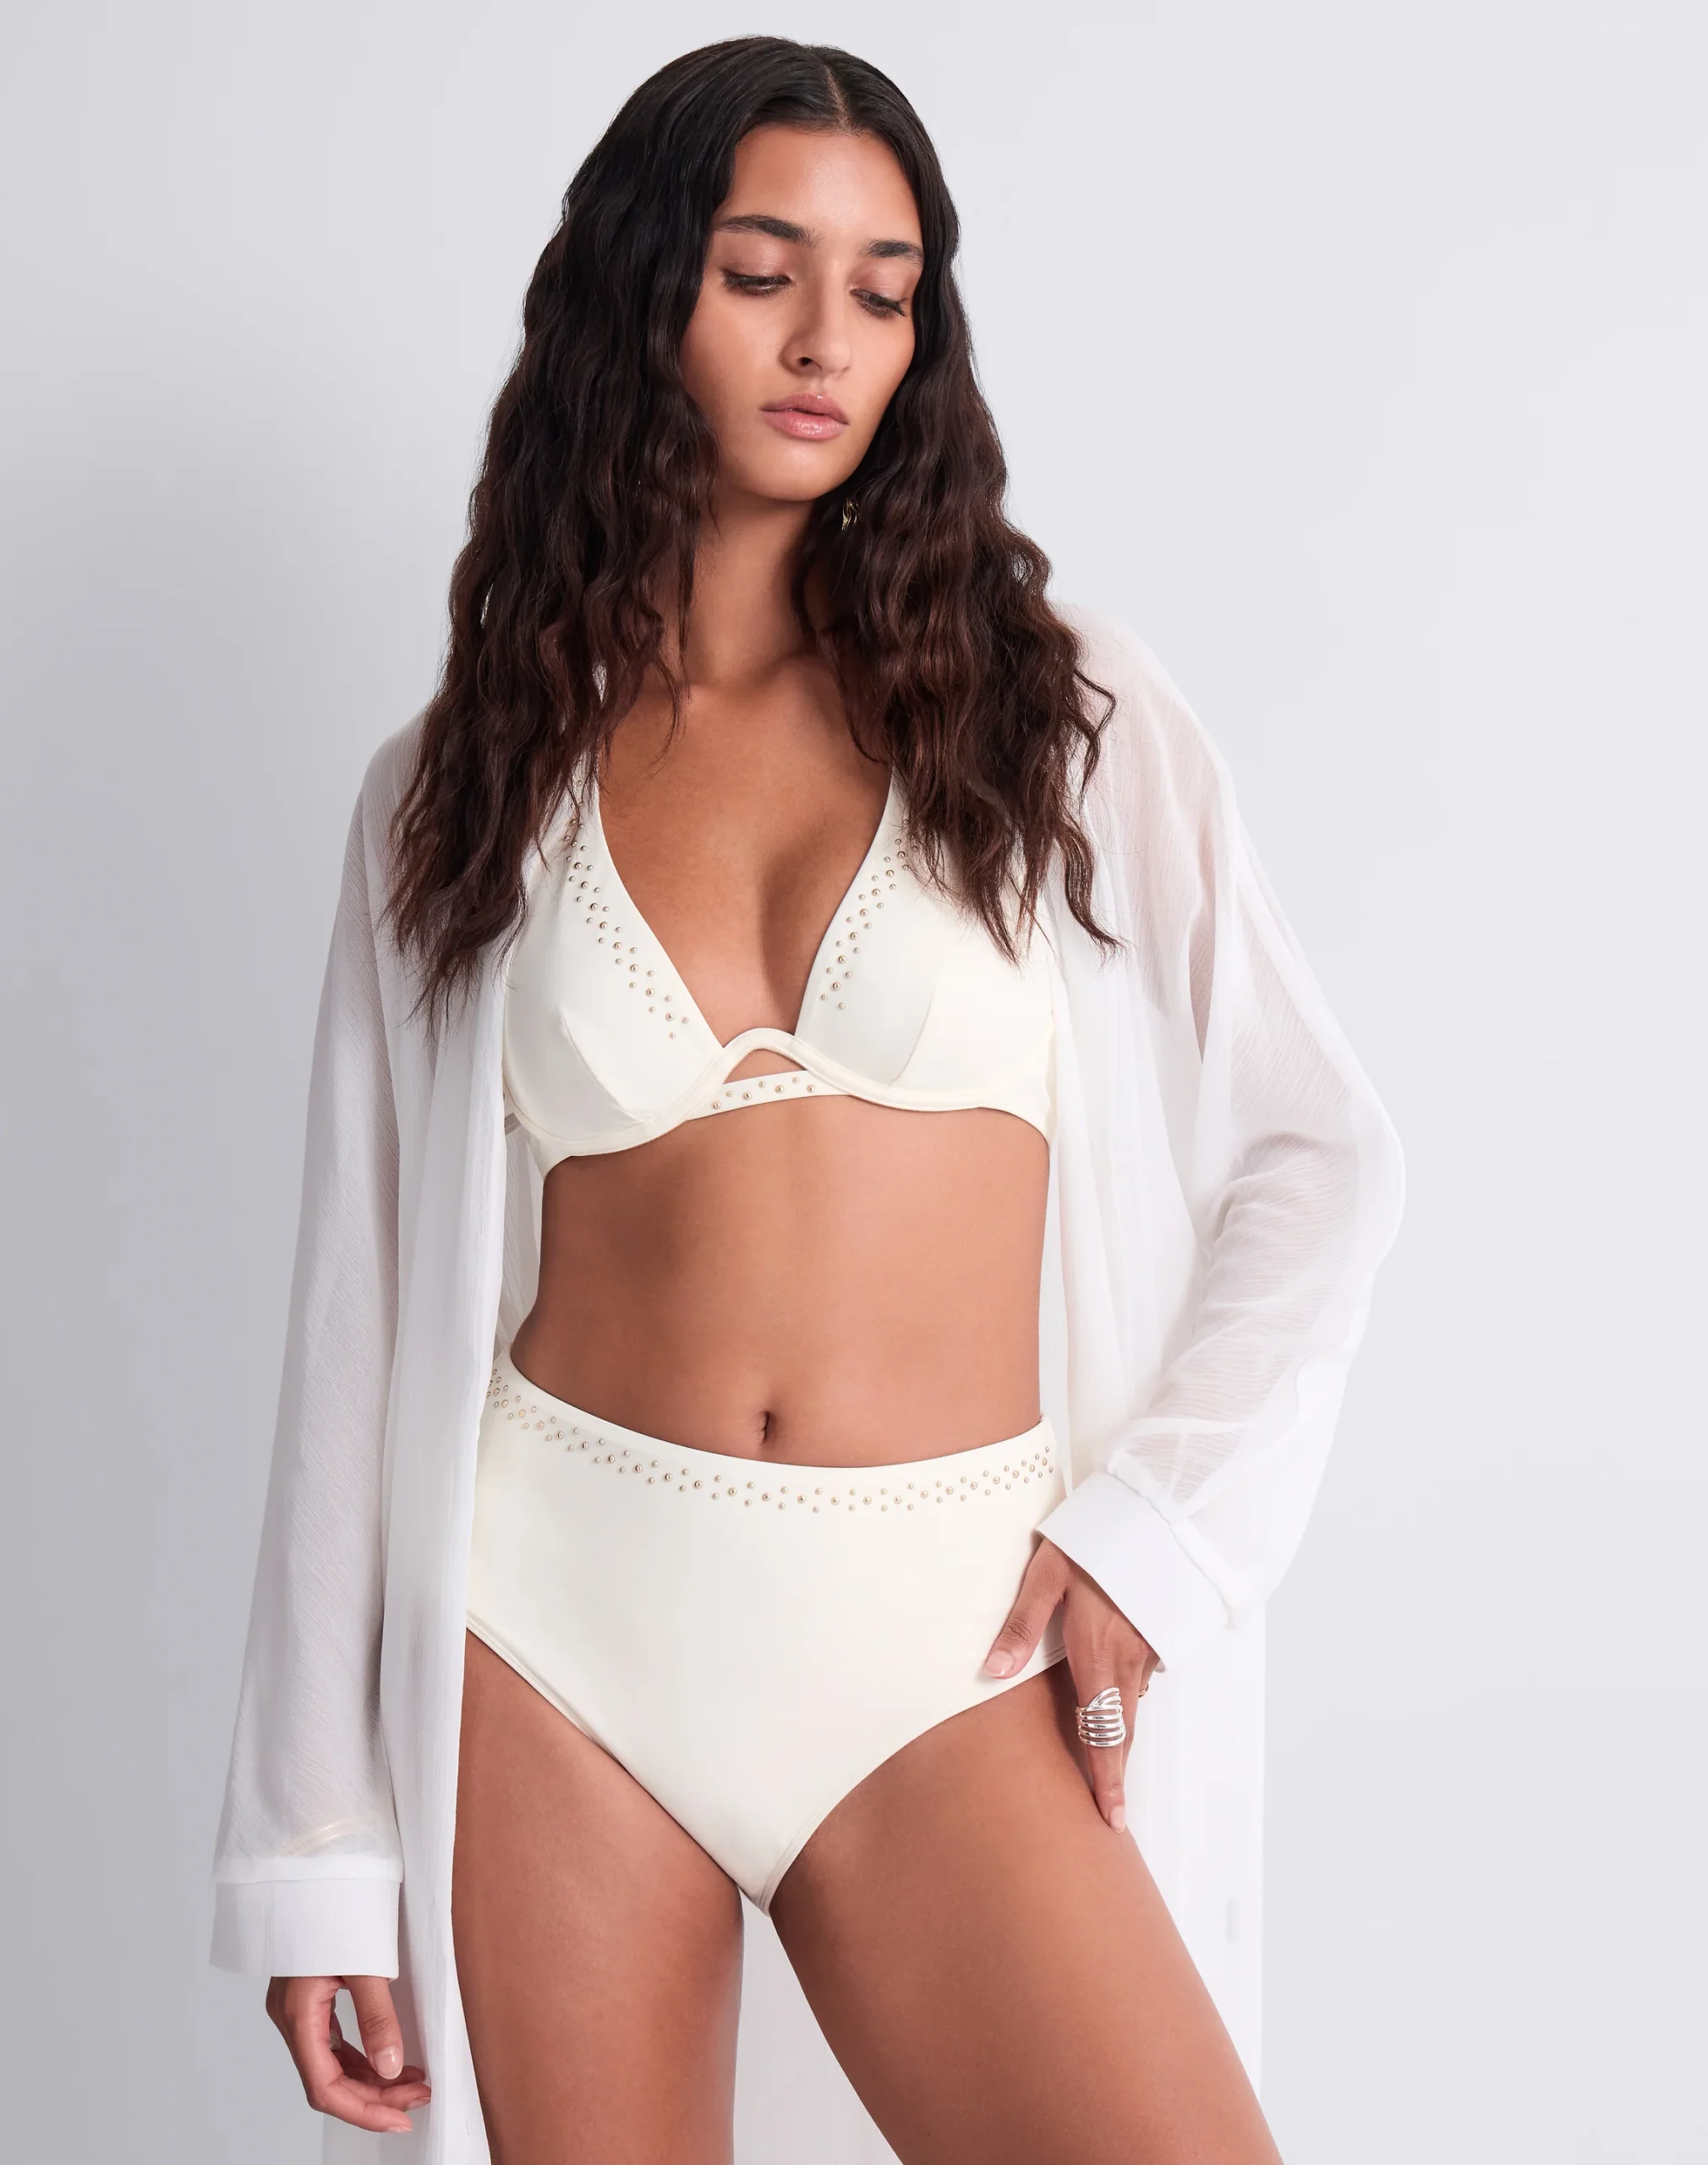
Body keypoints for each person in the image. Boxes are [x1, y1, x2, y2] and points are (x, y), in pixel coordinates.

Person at [211, 36, 1405, 2165]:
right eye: (762, 273)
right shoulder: (461, 780)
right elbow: (353, 1314)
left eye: (883, 287)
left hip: (948, 1632)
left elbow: (1320, 1154)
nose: (825, 339)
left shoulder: (1060, 719)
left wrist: (1151, 1536)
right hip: (555, 1626)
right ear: (643, 291)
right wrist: (315, 1837)